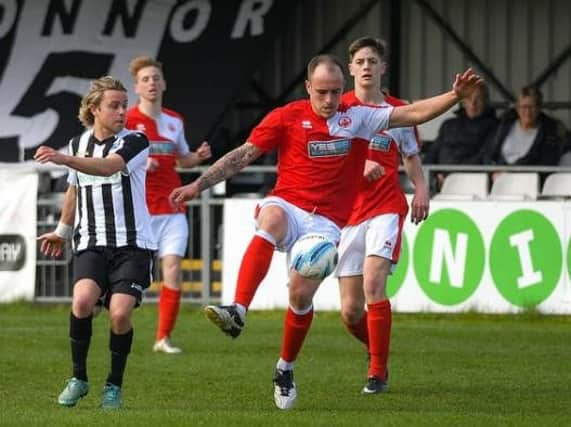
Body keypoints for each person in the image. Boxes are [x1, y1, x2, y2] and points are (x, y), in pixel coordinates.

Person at [169, 54, 482, 410]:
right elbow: (243, 156)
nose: (330, 100)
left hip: (327, 224)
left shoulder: (359, 118)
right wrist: (198, 186)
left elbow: (411, 114)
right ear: (307, 88)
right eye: (322, 92)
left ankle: (285, 368)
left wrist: (454, 96)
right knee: (269, 220)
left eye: (335, 92)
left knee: (301, 297)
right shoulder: (287, 116)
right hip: (288, 204)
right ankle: (238, 309)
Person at [34, 76, 156, 409]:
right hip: (91, 241)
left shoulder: (136, 141)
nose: (122, 112)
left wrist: (63, 159)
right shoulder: (77, 144)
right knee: (83, 301)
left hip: (133, 245)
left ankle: (113, 387)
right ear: (94, 109)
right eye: (114, 106)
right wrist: (61, 232)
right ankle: (78, 378)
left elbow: (108, 168)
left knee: (119, 315)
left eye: (124, 105)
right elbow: (74, 190)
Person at [336, 37, 430, 395]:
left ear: (382, 68)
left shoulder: (398, 112)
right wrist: (360, 166)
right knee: (349, 312)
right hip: (347, 214)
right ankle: (376, 350)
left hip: (386, 207)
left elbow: (410, 156)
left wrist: (421, 188)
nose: (366, 66)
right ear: (351, 69)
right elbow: (324, 160)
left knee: (374, 285)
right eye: (360, 60)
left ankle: (377, 373)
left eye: (372, 60)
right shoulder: (338, 108)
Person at [125, 56, 211, 354]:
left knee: (172, 269)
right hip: (140, 210)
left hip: (172, 206)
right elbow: (114, 161)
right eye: (145, 79)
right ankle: (111, 312)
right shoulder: (126, 121)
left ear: (164, 83)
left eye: (155, 78)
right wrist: (137, 162)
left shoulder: (175, 121)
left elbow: (181, 158)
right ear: (136, 87)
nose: (151, 83)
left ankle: (163, 338)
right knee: (135, 274)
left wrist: (197, 157)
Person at [423, 82, 498, 189]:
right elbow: (432, 153)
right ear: (463, 101)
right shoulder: (448, 124)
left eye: (478, 99)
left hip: (470, 182)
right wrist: (433, 175)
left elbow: (483, 156)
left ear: (486, 101)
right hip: (438, 182)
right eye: (468, 98)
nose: (473, 103)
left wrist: (449, 176)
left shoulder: (494, 126)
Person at [483, 85, 566, 167]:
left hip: (529, 177)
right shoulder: (504, 125)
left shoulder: (549, 131)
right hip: (498, 175)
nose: (527, 111)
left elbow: (547, 162)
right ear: (517, 108)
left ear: (539, 108)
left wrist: (510, 171)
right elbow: (488, 153)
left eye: (532, 107)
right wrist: (492, 170)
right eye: (524, 107)